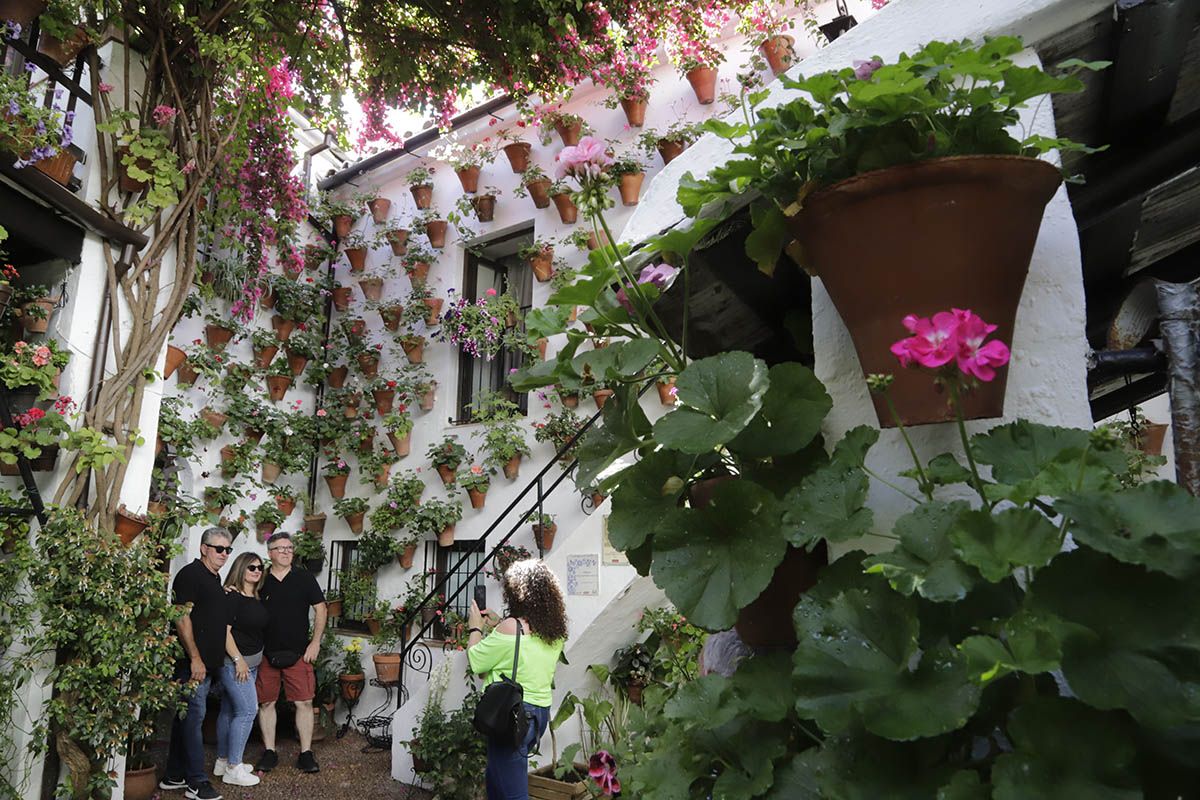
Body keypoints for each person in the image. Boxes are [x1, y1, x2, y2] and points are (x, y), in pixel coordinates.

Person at [467, 559, 568, 800]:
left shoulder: (511, 627)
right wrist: (497, 625)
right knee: (496, 781)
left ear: (516, 592)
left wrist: (475, 629)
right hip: (539, 713)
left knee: (513, 794)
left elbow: (476, 663)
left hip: (510, 714)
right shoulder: (554, 631)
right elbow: (521, 658)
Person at [160, 527, 233, 800]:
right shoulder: (190, 574)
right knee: (194, 719)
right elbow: (181, 617)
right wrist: (195, 658)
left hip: (206, 664)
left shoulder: (212, 577)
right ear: (204, 548)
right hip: (192, 664)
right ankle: (196, 782)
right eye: (219, 549)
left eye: (228, 550)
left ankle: (174, 775)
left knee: (186, 719)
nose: (224, 554)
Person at [255, 531, 327, 774]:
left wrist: (315, 642)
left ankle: (306, 753)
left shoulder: (304, 578)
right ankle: (269, 752)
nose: (286, 552)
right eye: (280, 548)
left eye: (289, 548)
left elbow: (321, 609)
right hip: (265, 652)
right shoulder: (260, 578)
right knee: (266, 703)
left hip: (299, 652)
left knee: (305, 702)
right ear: (270, 553)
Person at [213, 552, 268, 787]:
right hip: (236, 666)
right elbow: (224, 632)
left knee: (229, 710)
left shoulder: (254, 597)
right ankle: (234, 768)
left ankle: (223, 761)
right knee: (247, 711)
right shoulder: (232, 597)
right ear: (241, 568)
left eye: (260, 567)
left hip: (250, 664)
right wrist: (238, 660)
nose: (256, 571)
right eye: (251, 567)